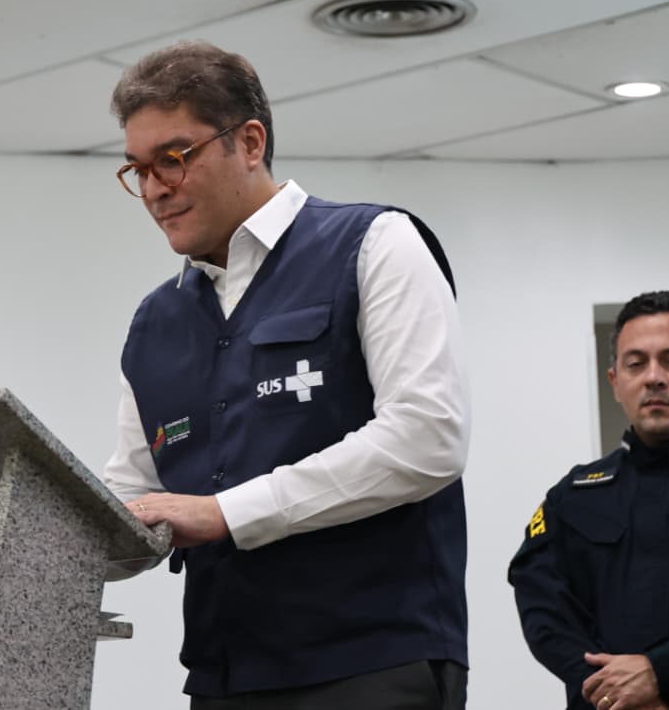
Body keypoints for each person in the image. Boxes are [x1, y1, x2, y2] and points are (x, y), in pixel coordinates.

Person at [102, 41, 471, 709]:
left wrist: (225, 513)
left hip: (371, 666)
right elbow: (133, 503)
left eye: (174, 158)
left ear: (250, 142)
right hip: (223, 677)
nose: (154, 189)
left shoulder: (375, 244)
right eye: (139, 169)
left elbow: (428, 438)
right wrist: (0, 543)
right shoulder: (155, 323)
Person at [508, 290, 669, 710]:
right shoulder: (573, 496)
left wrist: (660, 673)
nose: (653, 377)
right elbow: (543, 607)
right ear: (615, 382)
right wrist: (610, 689)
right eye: (636, 363)